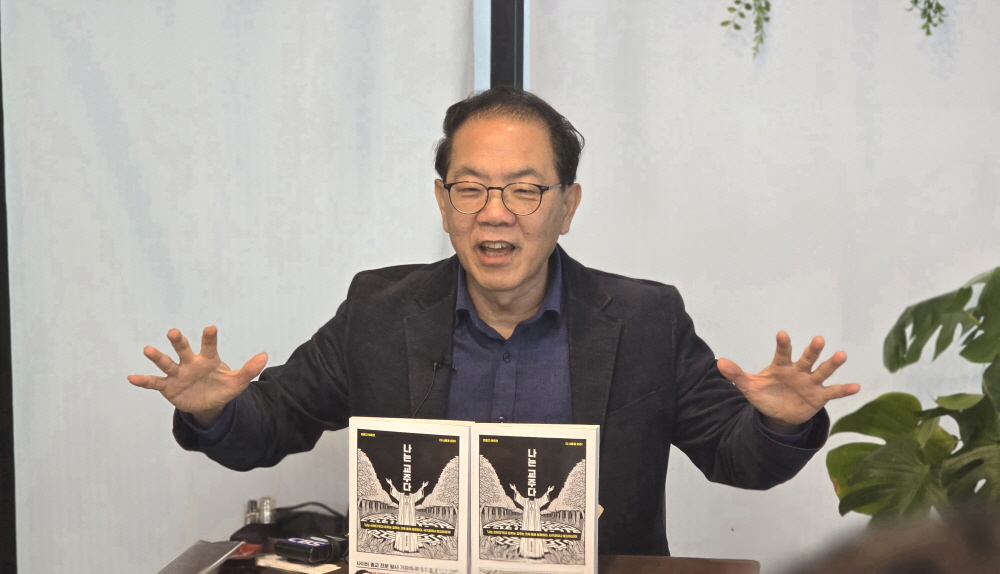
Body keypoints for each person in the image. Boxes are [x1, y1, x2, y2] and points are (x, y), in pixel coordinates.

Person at [128, 86, 860, 556]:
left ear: (568, 206)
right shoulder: (379, 310)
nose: (495, 212)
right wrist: (214, 411)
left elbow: (737, 458)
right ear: (443, 203)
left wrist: (781, 425)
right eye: (471, 188)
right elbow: (270, 425)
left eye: (524, 190)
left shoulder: (644, 319)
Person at [509, 484, 554, 559]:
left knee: (536, 537)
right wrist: (514, 489)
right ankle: (525, 553)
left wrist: (548, 491)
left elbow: (544, 499)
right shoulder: (525, 501)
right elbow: (518, 497)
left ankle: (537, 554)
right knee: (526, 537)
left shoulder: (538, 501)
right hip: (527, 524)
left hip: (535, 525)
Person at [385, 479, 428, 553]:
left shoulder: (413, 496)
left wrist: (422, 487)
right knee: (401, 531)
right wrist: (391, 484)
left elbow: (419, 494)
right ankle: (400, 547)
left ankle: (411, 548)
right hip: (402, 518)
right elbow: (394, 492)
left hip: (411, 519)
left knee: (411, 532)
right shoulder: (400, 496)